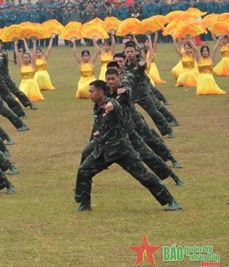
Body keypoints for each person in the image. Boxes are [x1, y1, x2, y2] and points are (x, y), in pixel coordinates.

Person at [74, 80, 181, 212]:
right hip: (104, 150)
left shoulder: (110, 103)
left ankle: (171, 201)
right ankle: (84, 204)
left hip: (122, 150)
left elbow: (115, 105)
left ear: (101, 92)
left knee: (144, 176)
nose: (89, 94)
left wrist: (111, 105)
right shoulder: (96, 106)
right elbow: (105, 125)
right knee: (84, 170)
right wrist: (99, 133)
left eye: (92, 91)